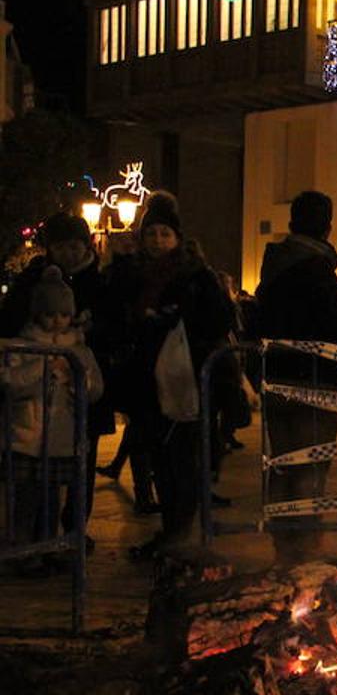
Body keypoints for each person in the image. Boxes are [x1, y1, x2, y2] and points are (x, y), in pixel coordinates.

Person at [107, 193, 235, 558]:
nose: (158, 241)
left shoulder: (196, 275)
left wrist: (176, 319)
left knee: (183, 458)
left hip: (186, 379)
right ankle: (171, 530)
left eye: (165, 234)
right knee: (159, 459)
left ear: (177, 238)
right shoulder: (133, 272)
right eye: (152, 234)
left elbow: (219, 319)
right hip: (147, 382)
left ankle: (182, 532)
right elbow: (115, 310)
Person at [0, 214, 116, 532]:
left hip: (80, 384)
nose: (69, 253)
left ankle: (76, 530)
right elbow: (10, 319)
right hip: (36, 400)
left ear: (85, 245)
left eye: (75, 246)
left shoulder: (100, 281)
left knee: (81, 464)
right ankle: (39, 535)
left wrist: (92, 329)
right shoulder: (32, 278)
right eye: (62, 247)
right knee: (36, 480)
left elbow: (116, 325)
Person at [255, 190, 337, 565]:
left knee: (283, 459)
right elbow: (334, 324)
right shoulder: (317, 269)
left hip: (277, 375)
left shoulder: (274, 263)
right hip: (314, 377)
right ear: (328, 226)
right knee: (311, 462)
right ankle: (306, 547)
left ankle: (283, 543)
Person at [1, 267, 103, 571]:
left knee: (51, 498)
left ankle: (48, 545)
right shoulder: (22, 346)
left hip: (60, 436)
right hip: (27, 435)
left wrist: (74, 378)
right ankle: (22, 548)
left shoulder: (79, 351)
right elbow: (11, 383)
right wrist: (43, 368)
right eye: (49, 315)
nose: (57, 321)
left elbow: (95, 388)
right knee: (25, 498)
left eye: (62, 315)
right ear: (37, 315)